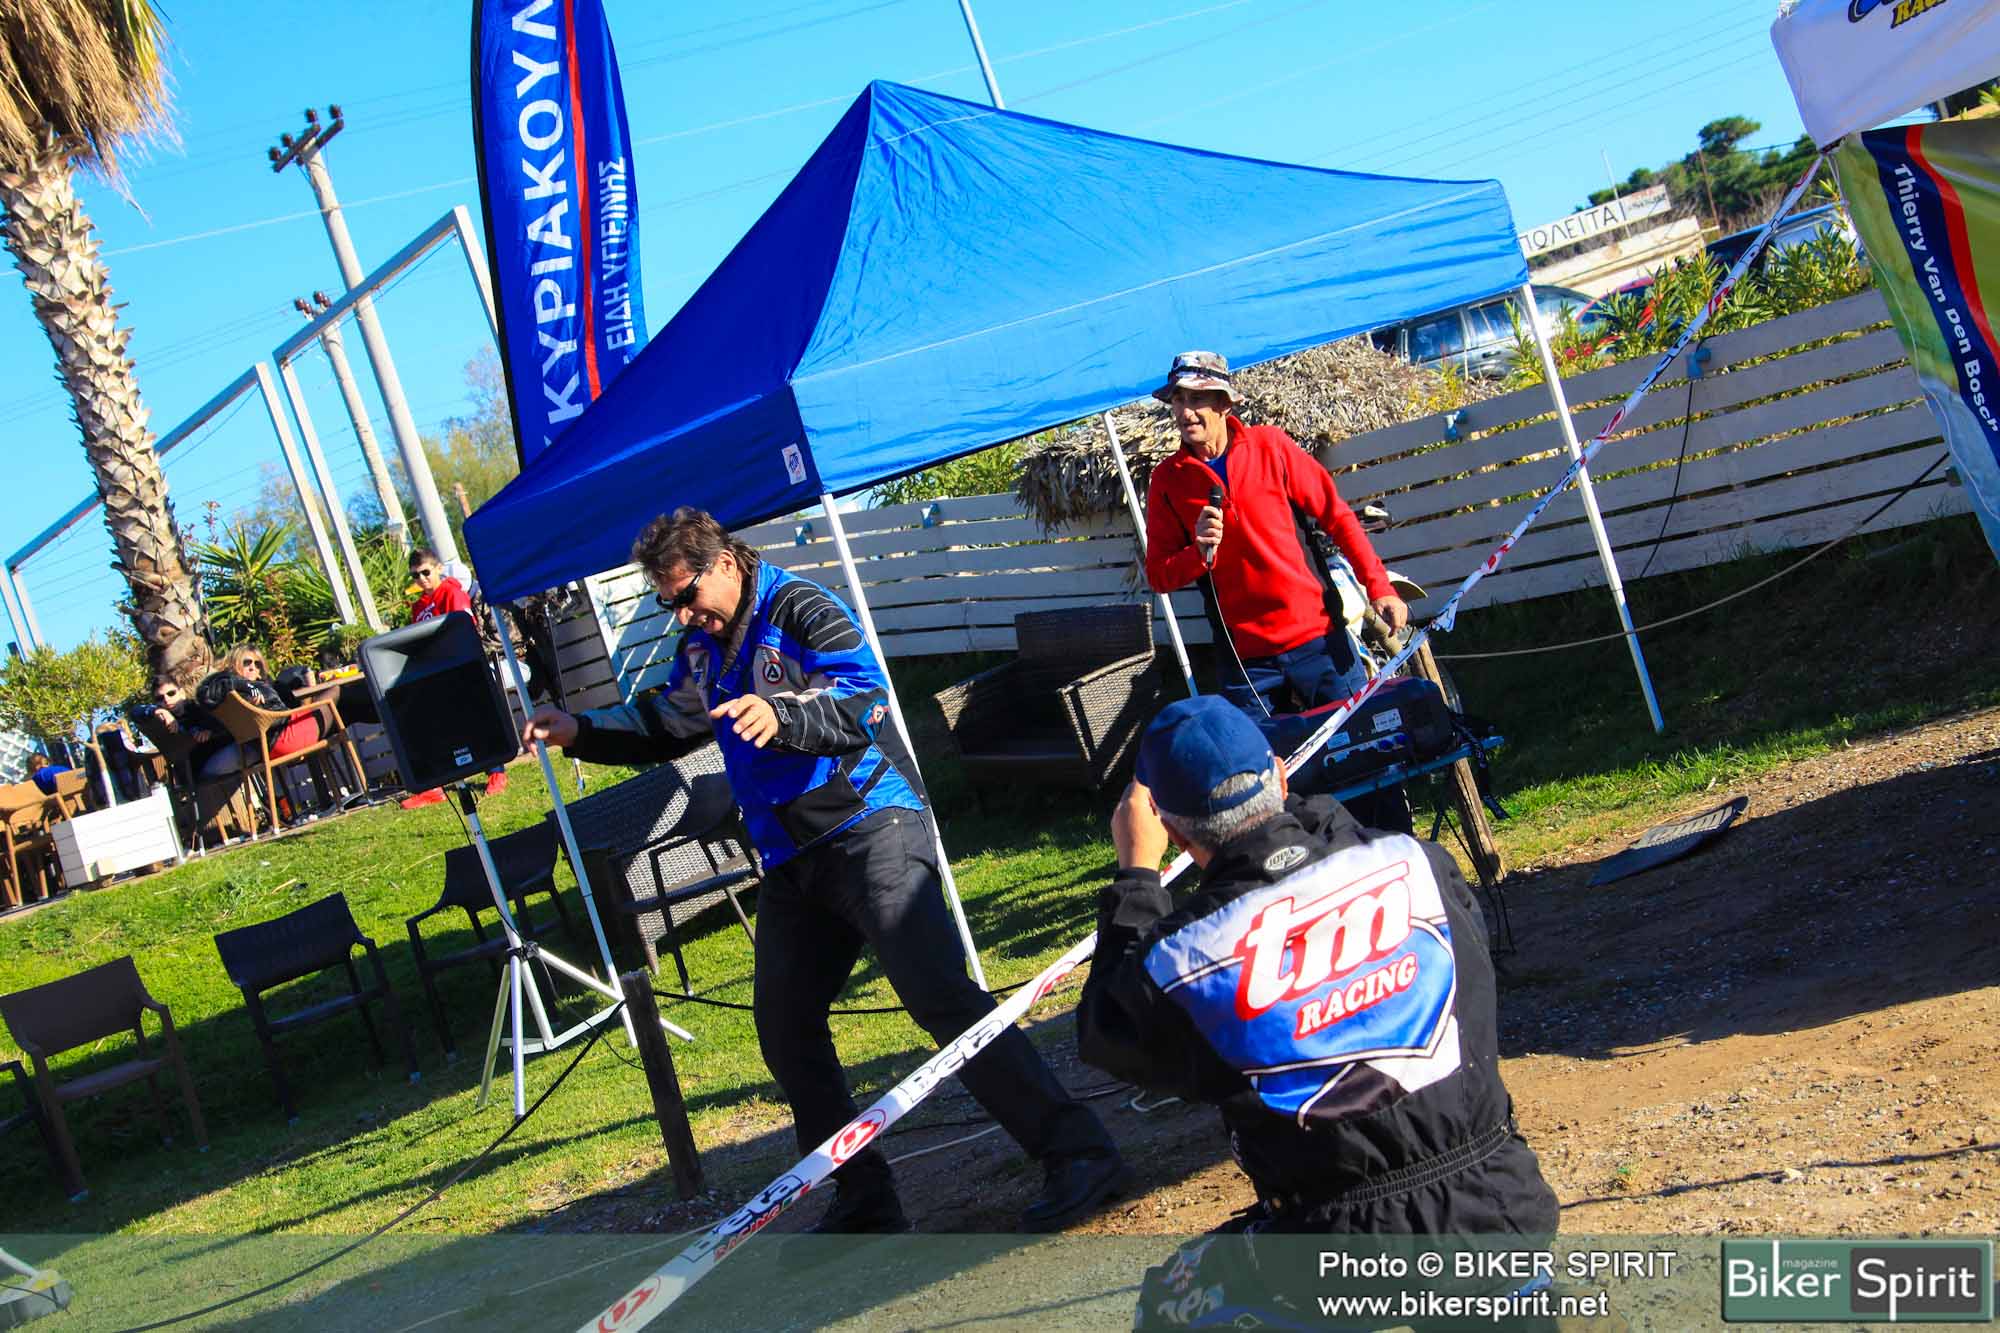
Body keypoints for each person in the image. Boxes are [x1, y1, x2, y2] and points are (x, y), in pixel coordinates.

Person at [522, 507, 1128, 1236]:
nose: (682, 614)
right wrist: (581, 729)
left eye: (686, 595)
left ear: (724, 563)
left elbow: (864, 699)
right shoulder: (700, 648)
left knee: (937, 993)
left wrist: (784, 716)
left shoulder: (802, 606)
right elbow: (671, 722)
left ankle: (1080, 1153)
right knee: (784, 1027)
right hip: (790, 858)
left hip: (871, 827)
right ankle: (863, 1197)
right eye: (668, 602)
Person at [1076, 696, 1556, 1328]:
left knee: (1171, 1302)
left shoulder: (1183, 959)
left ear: (1172, 831)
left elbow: (1108, 1034)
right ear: (1279, 775)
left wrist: (1137, 877)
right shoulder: (1419, 862)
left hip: (1336, 1247)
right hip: (1500, 1207)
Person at [1143, 351, 1416, 826]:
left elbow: (1337, 516)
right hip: (1246, 659)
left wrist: (1379, 586)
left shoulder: (1271, 446)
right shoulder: (1167, 481)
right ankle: (1300, 863)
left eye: (1197, 399)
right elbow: (1160, 575)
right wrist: (1198, 553)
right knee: (1259, 791)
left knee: (1367, 758)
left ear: (1224, 403)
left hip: (1319, 638)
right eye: (1178, 400)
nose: (1186, 411)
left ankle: (1394, 853)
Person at [402, 547, 506, 806]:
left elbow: (463, 629)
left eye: (425, 572)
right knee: (427, 723)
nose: (422, 579)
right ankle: (434, 784)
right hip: (434, 672)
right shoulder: (419, 607)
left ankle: (496, 772)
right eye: (415, 576)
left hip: (462, 667)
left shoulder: (452, 594)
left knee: (478, 719)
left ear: (438, 568)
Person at [195, 644, 323, 778]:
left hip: (270, 743)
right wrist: (207, 729)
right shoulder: (231, 688)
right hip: (267, 745)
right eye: (247, 663)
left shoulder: (271, 687)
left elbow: (292, 710)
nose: (253, 667)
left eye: (257, 664)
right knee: (331, 697)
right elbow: (212, 706)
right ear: (234, 663)